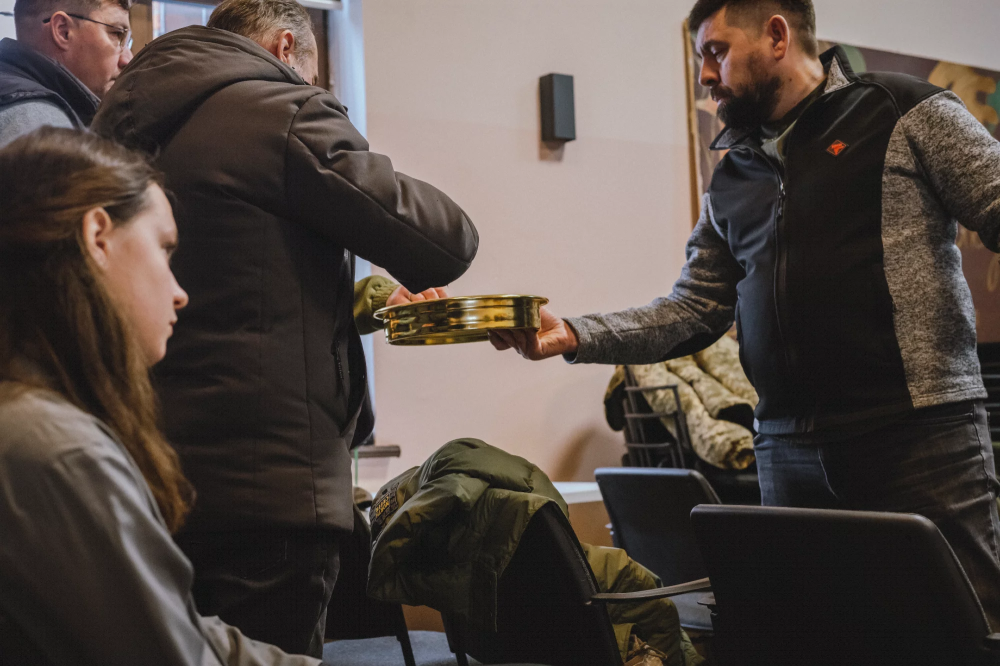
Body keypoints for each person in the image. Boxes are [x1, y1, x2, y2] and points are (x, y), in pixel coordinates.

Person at [491, 0, 1000, 628]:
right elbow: (695, 306)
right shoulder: (732, 168)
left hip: (917, 437)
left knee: (959, 634)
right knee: (806, 640)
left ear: (777, 36)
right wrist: (574, 333)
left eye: (716, 52)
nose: (706, 74)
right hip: (787, 451)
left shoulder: (903, 111)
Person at [92, 0, 479, 655]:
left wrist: (368, 297)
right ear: (282, 48)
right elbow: (445, 239)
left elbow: (241, 280)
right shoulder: (282, 112)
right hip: (268, 492)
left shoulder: (120, 124)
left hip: (147, 470)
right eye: (313, 73)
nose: (316, 89)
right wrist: (325, 122)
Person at [0, 127, 325, 666]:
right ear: (97, 235)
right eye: (163, 248)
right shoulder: (55, 450)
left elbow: (185, 632)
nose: (179, 291)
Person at [0, 0, 132, 147]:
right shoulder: (40, 127)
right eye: (117, 34)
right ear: (63, 31)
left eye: (128, 42)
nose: (127, 59)